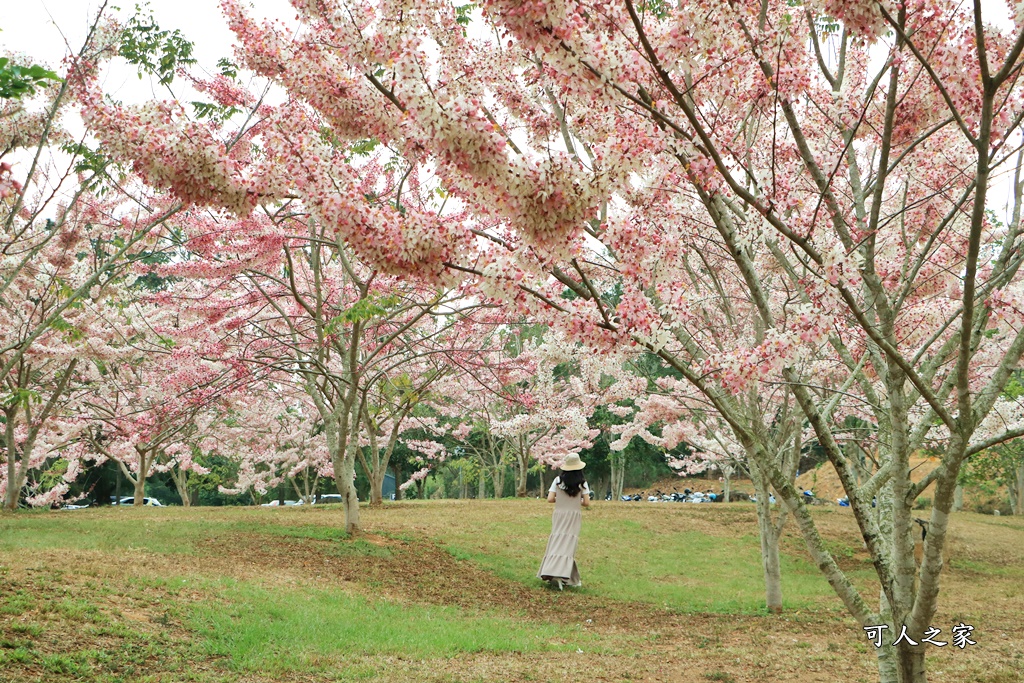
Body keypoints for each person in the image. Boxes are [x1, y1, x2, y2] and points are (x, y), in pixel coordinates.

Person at [537, 453, 590, 590]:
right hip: (573, 516)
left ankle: (554, 572)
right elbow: (586, 503)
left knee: (557, 541)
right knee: (568, 544)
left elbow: (550, 499)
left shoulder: (558, 481)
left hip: (559, 515)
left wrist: (561, 500)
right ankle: (562, 575)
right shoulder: (582, 483)